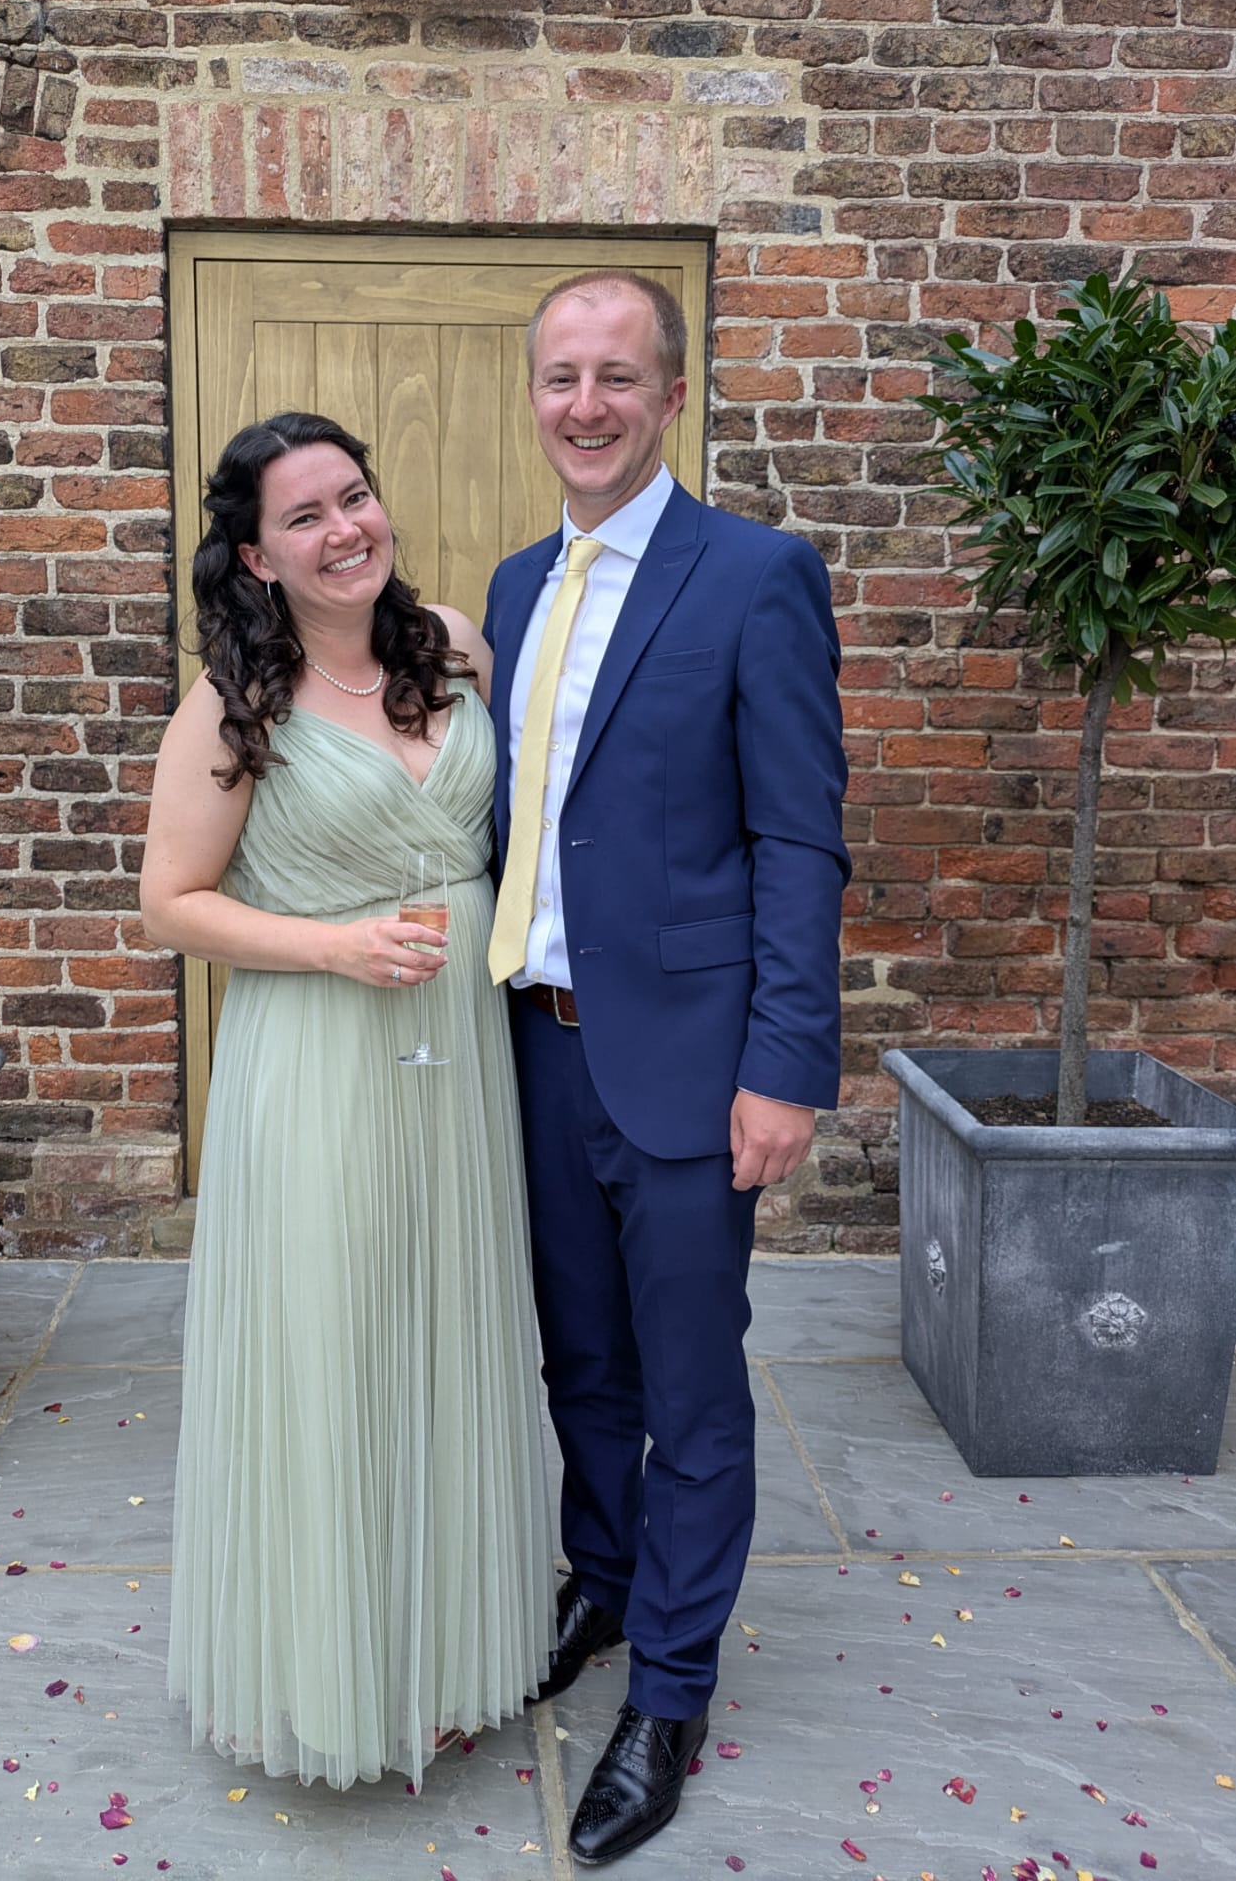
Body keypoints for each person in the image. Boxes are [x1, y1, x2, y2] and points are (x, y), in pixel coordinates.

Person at [484, 271, 849, 1865]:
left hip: (695, 1069)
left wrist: (785, 1067)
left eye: (616, 377)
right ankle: (607, 1582)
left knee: (690, 1390)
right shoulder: (512, 588)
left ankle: (672, 1691)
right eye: (561, 376)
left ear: (671, 396)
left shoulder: (755, 577)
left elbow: (798, 839)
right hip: (535, 1048)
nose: (586, 405)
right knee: (579, 1366)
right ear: (534, 395)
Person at [142, 410, 554, 1791]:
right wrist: (333, 946)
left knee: (447, 1330)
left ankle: (439, 1652)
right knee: (334, 1345)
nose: (344, 530)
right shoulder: (231, 707)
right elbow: (169, 904)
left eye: (355, 497)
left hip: (459, 1052)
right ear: (258, 556)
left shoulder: (455, 647)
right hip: (318, 1053)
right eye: (305, 516)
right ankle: (332, 1672)